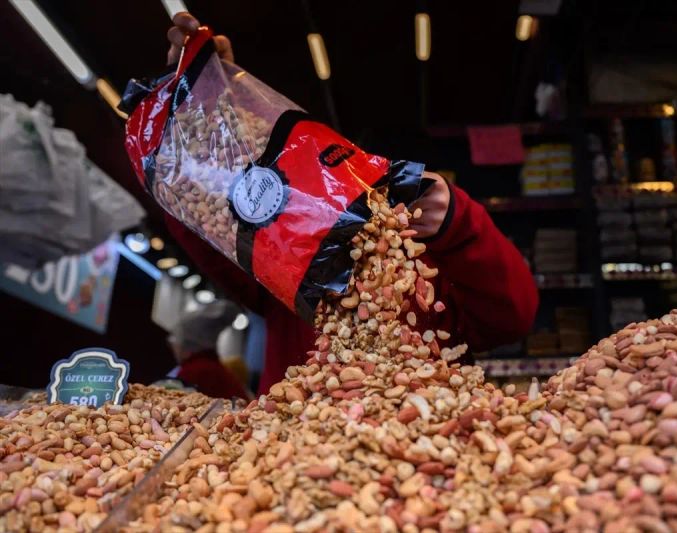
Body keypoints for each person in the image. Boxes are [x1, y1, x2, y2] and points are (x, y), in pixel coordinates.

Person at [163, 13, 540, 394]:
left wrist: (457, 222)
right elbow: (208, 223)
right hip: (295, 446)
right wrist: (199, 106)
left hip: (415, 439)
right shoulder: (283, 262)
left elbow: (514, 317)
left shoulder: (425, 257)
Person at [167, 299, 251, 399]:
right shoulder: (214, 368)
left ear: (187, 345)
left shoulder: (193, 371)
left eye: (176, 342)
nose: (174, 348)